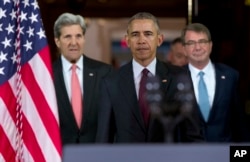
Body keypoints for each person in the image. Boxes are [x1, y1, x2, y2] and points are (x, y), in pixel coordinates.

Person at [96, 12, 204, 143]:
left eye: (148, 34)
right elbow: (103, 139)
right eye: (135, 35)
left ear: (159, 40)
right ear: (127, 41)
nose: (141, 40)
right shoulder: (111, 81)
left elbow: (192, 133)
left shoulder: (179, 77)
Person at [181, 23, 249, 142]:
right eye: (191, 43)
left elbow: (240, 122)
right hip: (188, 155)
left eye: (202, 42)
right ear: (184, 49)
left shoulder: (230, 76)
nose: (198, 47)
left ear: (210, 46)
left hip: (225, 154)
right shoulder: (174, 78)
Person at [52, 13, 113, 145]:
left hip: (96, 155)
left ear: (84, 38)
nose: (74, 43)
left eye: (78, 36)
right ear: (57, 41)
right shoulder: (47, 76)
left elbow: (113, 120)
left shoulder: (105, 73)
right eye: (68, 37)